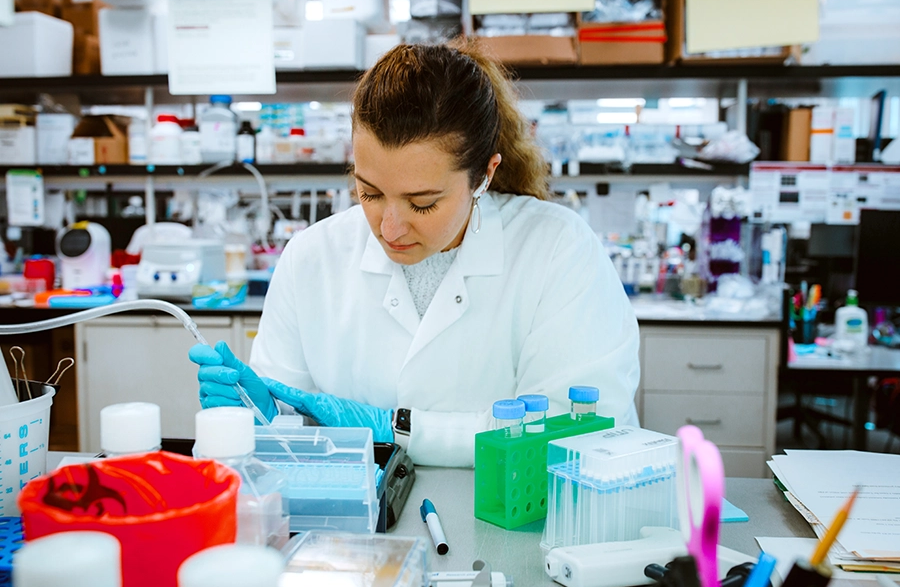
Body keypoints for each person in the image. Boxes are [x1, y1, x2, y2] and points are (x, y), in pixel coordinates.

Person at [189, 41, 640, 468]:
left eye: (422, 202)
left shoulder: (557, 250)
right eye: (369, 193)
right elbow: (290, 434)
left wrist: (396, 430)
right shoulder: (312, 257)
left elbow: (573, 436)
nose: (389, 229)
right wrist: (262, 417)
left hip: (513, 528)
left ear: (485, 174)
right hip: (356, 533)